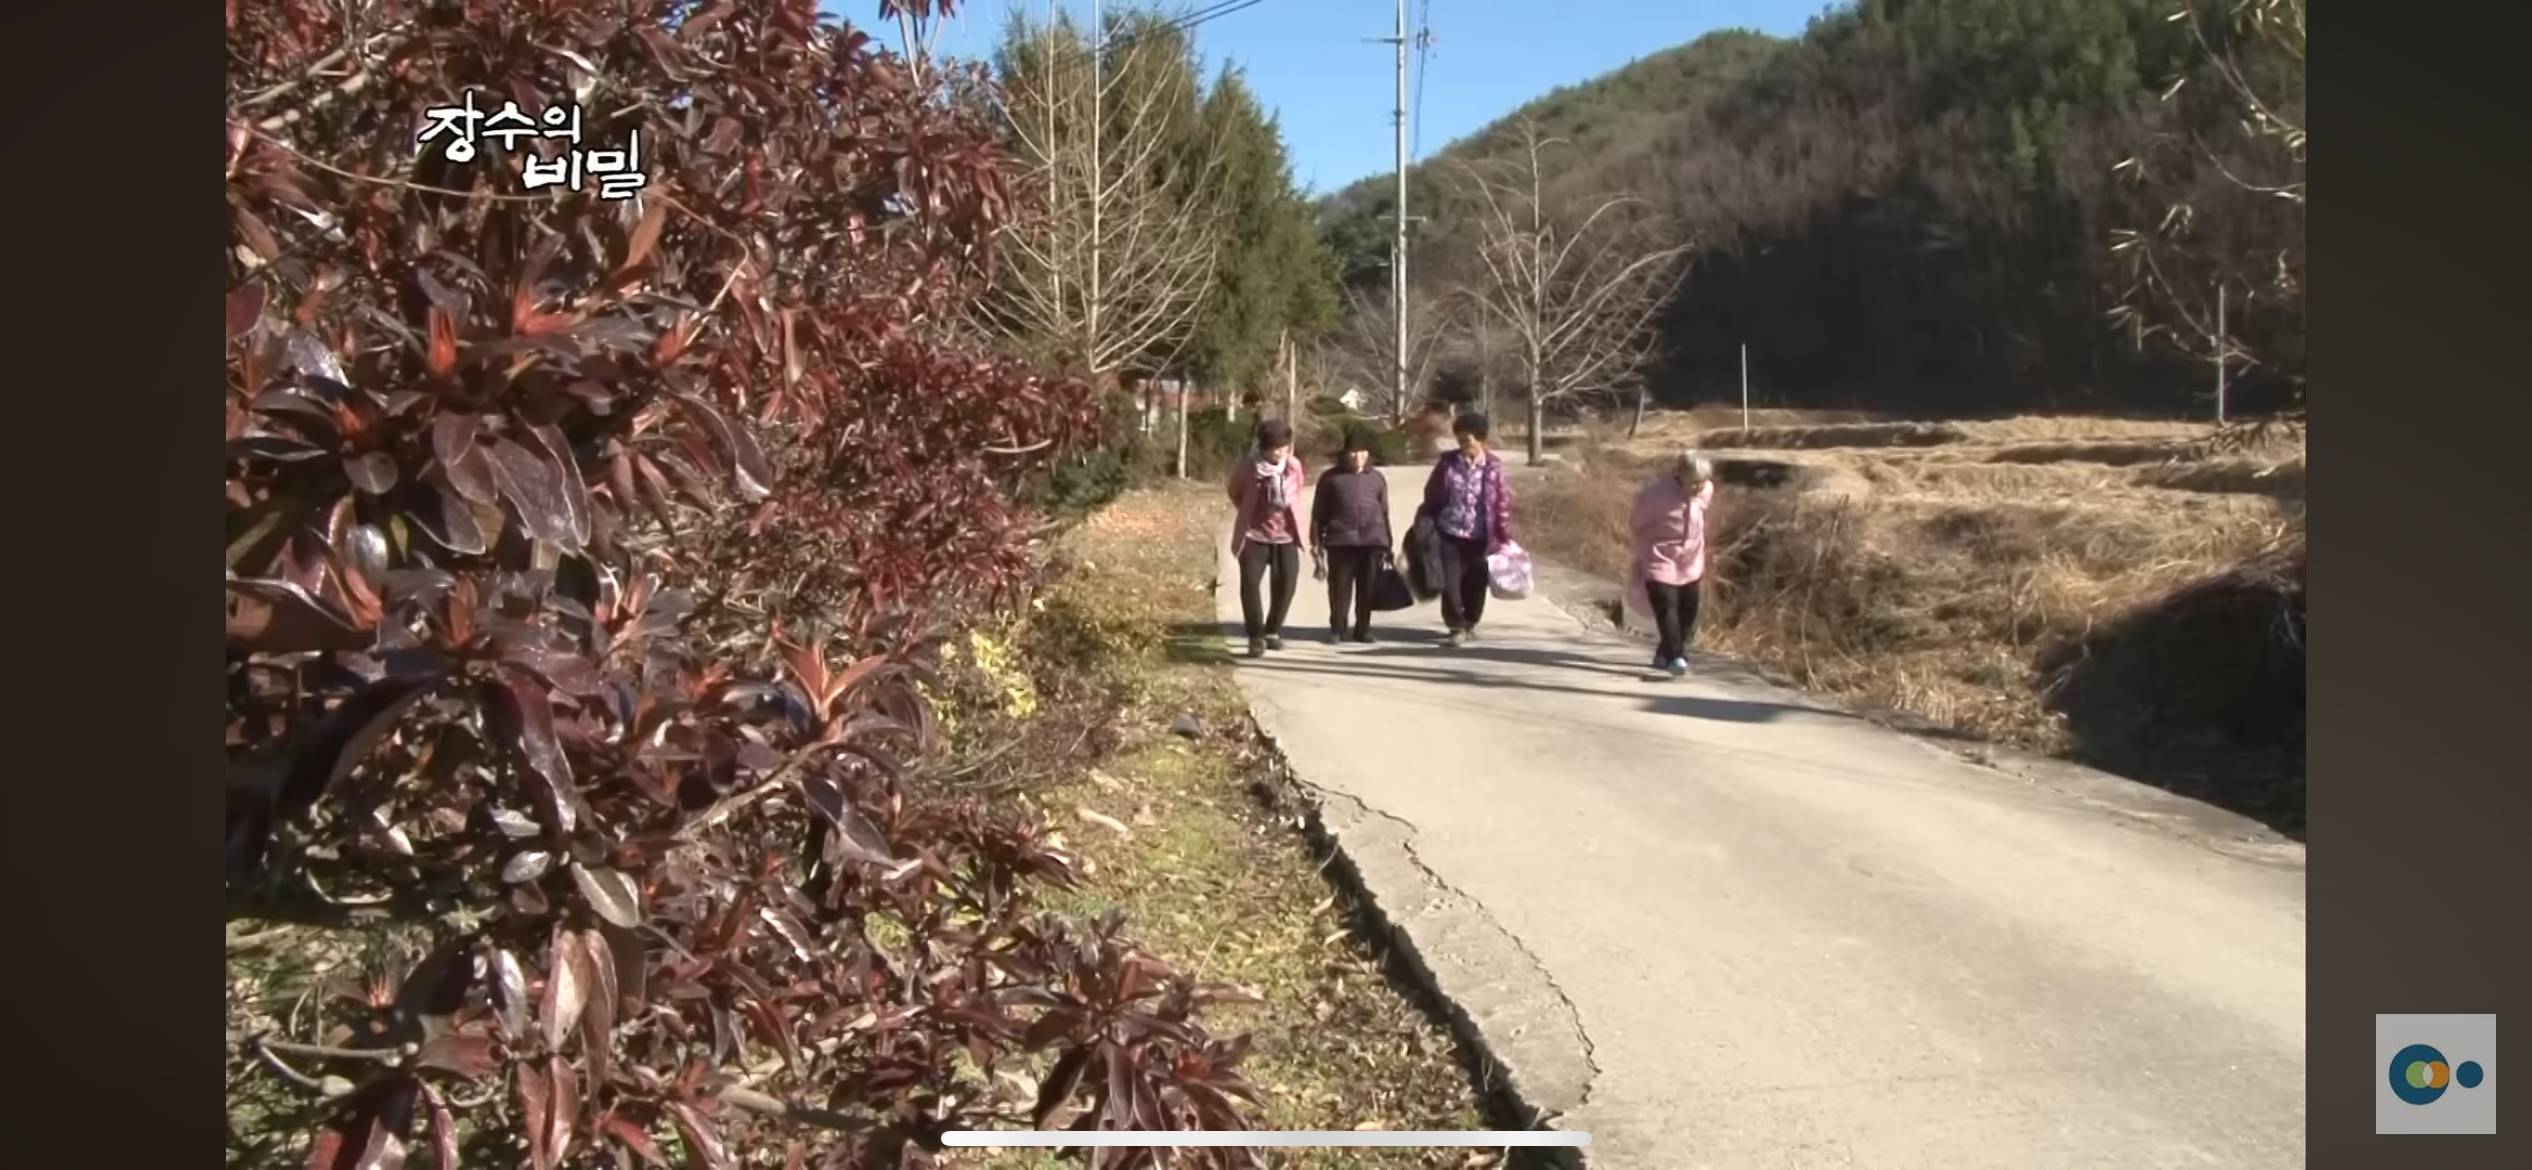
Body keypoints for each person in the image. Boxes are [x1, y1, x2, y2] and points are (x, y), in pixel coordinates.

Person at [1419, 412, 1515, 647]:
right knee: (1450, 583)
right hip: (1449, 533)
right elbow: (1432, 495)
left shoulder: (1493, 467)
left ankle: (1470, 621)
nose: (1464, 446)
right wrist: (1428, 522)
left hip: (1481, 535)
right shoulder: (1447, 464)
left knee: (1475, 583)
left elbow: (1501, 502)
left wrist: (1503, 536)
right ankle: (1455, 626)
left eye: (1468, 440)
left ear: (1481, 439)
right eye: (1460, 440)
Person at [1628, 449, 1716, 678]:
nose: (1699, 488)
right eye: (1694, 483)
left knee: (1689, 609)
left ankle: (1663, 653)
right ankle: (1677, 655)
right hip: (1660, 558)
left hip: (1691, 559)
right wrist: (1648, 544)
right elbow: (1637, 522)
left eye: (1702, 482)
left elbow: (1703, 515)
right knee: (1667, 608)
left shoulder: (1706, 490)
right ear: (1679, 475)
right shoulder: (1656, 495)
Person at [1227, 418, 1309, 658]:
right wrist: (1248, 511)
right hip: (1255, 535)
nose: (1279, 453)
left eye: (1283, 448)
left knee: (1287, 584)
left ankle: (1272, 630)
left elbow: (1298, 490)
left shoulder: (1293, 466)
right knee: (1250, 585)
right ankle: (1255, 636)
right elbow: (1235, 491)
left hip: (1286, 536)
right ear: (1263, 448)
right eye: (1274, 449)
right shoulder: (1249, 468)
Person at [1309, 430, 1394, 644]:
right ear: (1344, 454)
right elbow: (1318, 514)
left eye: (1362, 453)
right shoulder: (1330, 479)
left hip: (1372, 541)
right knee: (1339, 588)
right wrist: (1316, 543)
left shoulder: (1376, 478)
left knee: (1368, 589)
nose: (1358, 458)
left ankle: (1363, 629)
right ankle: (1337, 628)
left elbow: (1384, 513)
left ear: (1368, 454)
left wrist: (1388, 544)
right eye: (1353, 453)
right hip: (1341, 541)